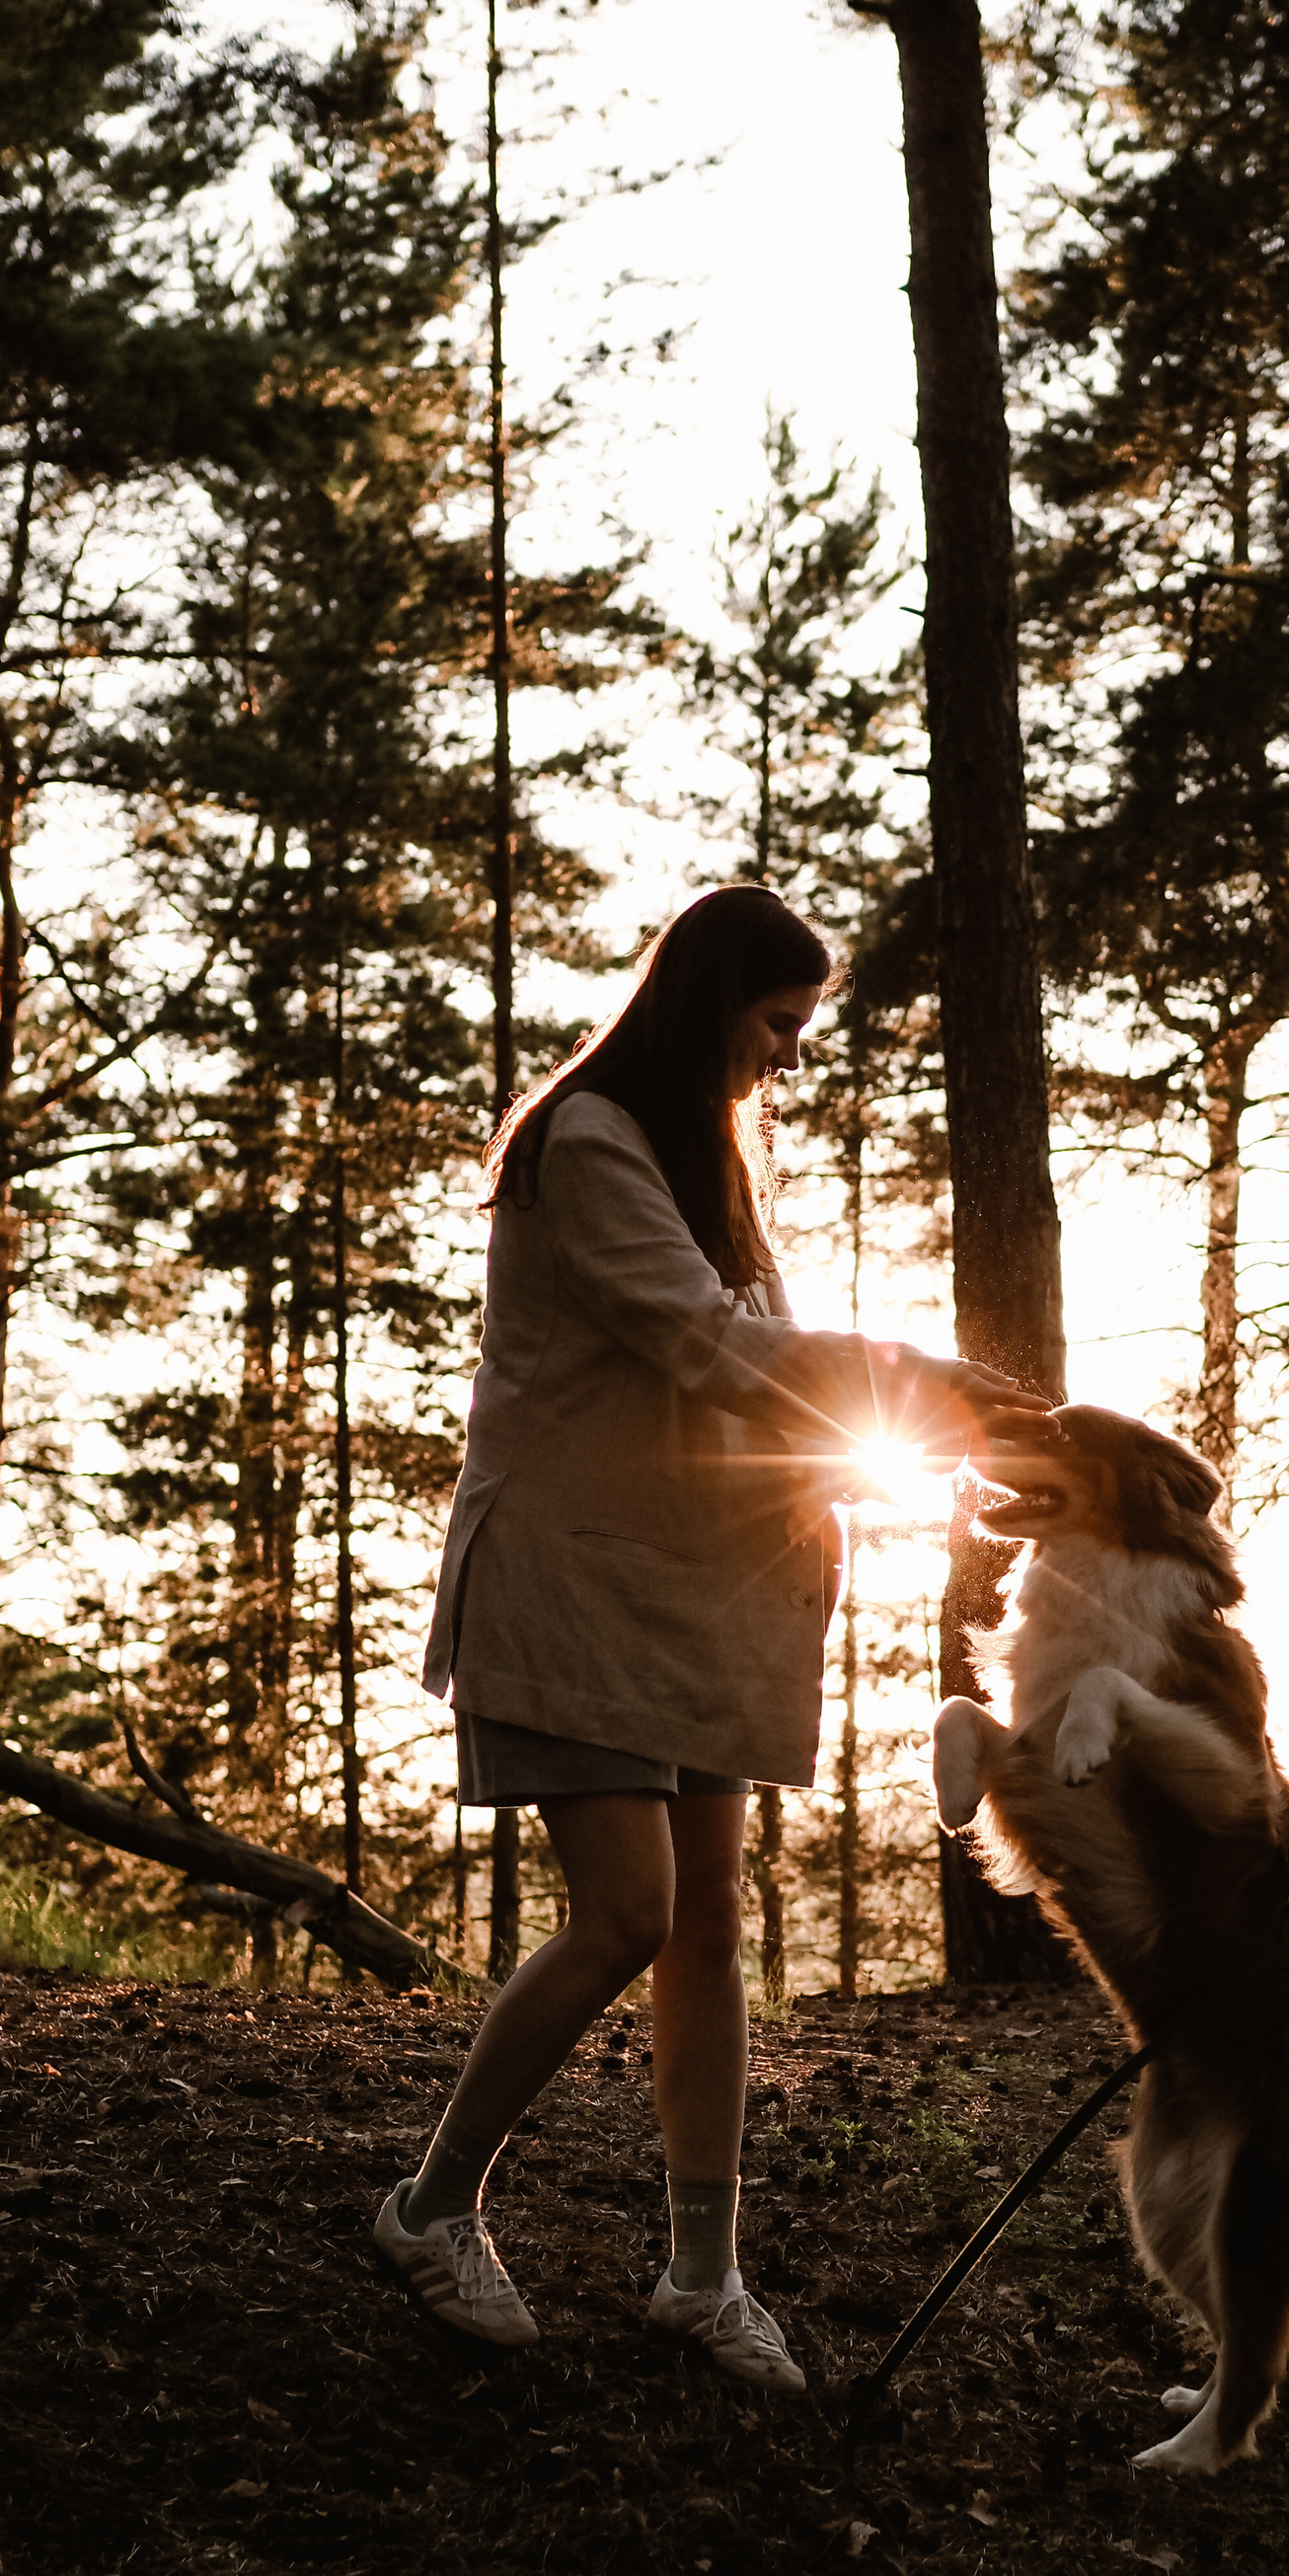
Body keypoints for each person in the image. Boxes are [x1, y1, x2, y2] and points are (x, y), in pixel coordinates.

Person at [377, 883, 1045, 2393]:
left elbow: (770, 1384)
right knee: (627, 1910)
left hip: (691, 1598)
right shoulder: (594, 1143)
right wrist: (926, 1377)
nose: (788, 1059)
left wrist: (931, 1448)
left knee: (708, 1925)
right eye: (779, 1024)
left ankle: (701, 2269)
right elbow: (706, 1347)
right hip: (574, 1583)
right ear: (710, 1000)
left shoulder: (706, 1156)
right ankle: (430, 2208)